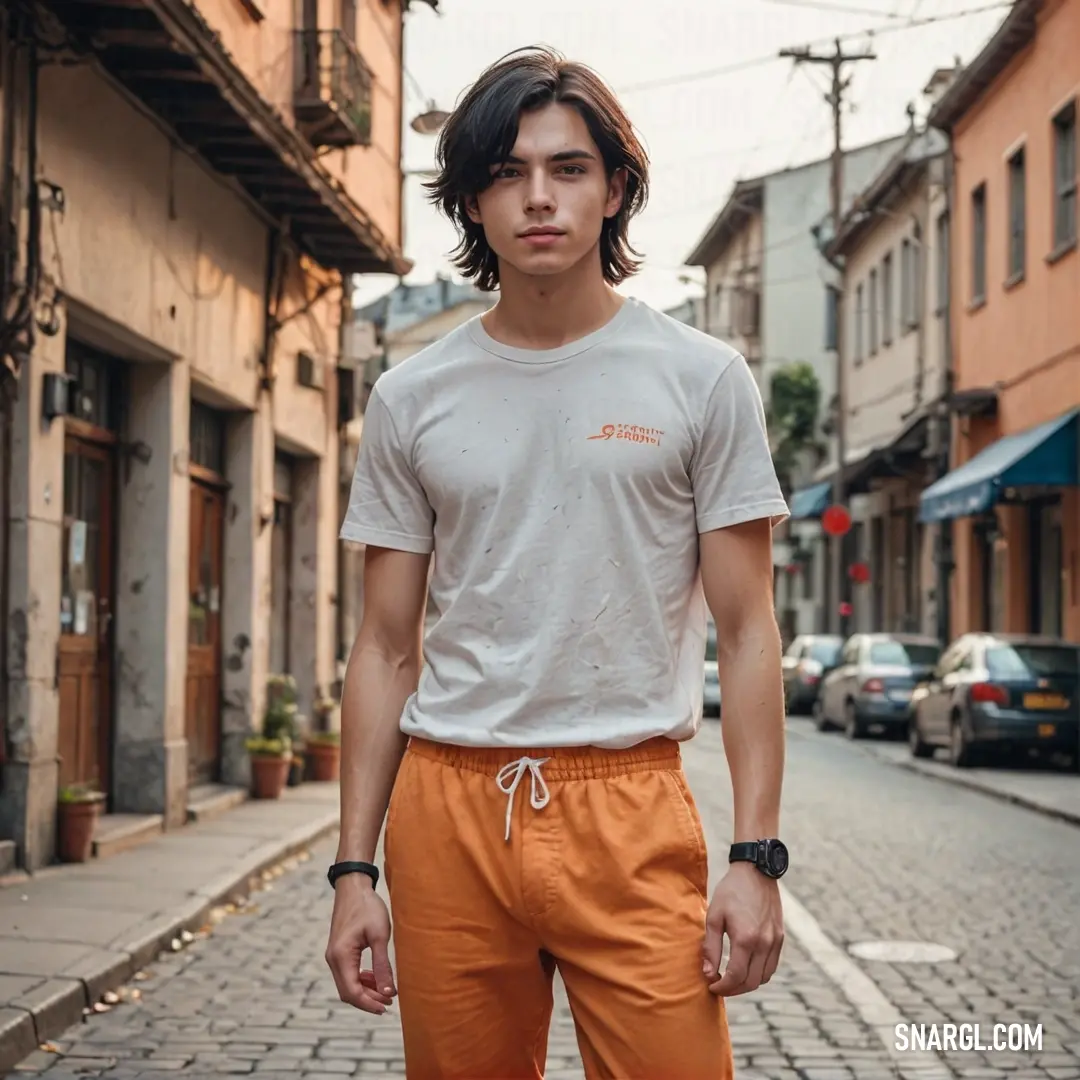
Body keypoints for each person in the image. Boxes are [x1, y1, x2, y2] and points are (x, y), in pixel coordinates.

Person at [325, 44, 790, 1080]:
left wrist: (757, 859)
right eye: (507, 171)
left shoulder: (703, 381)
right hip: (447, 813)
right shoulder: (412, 396)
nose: (539, 197)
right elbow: (386, 648)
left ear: (614, 187)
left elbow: (750, 630)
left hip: (627, 806)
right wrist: (354, 870)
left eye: (569, 168)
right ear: (472, 201)